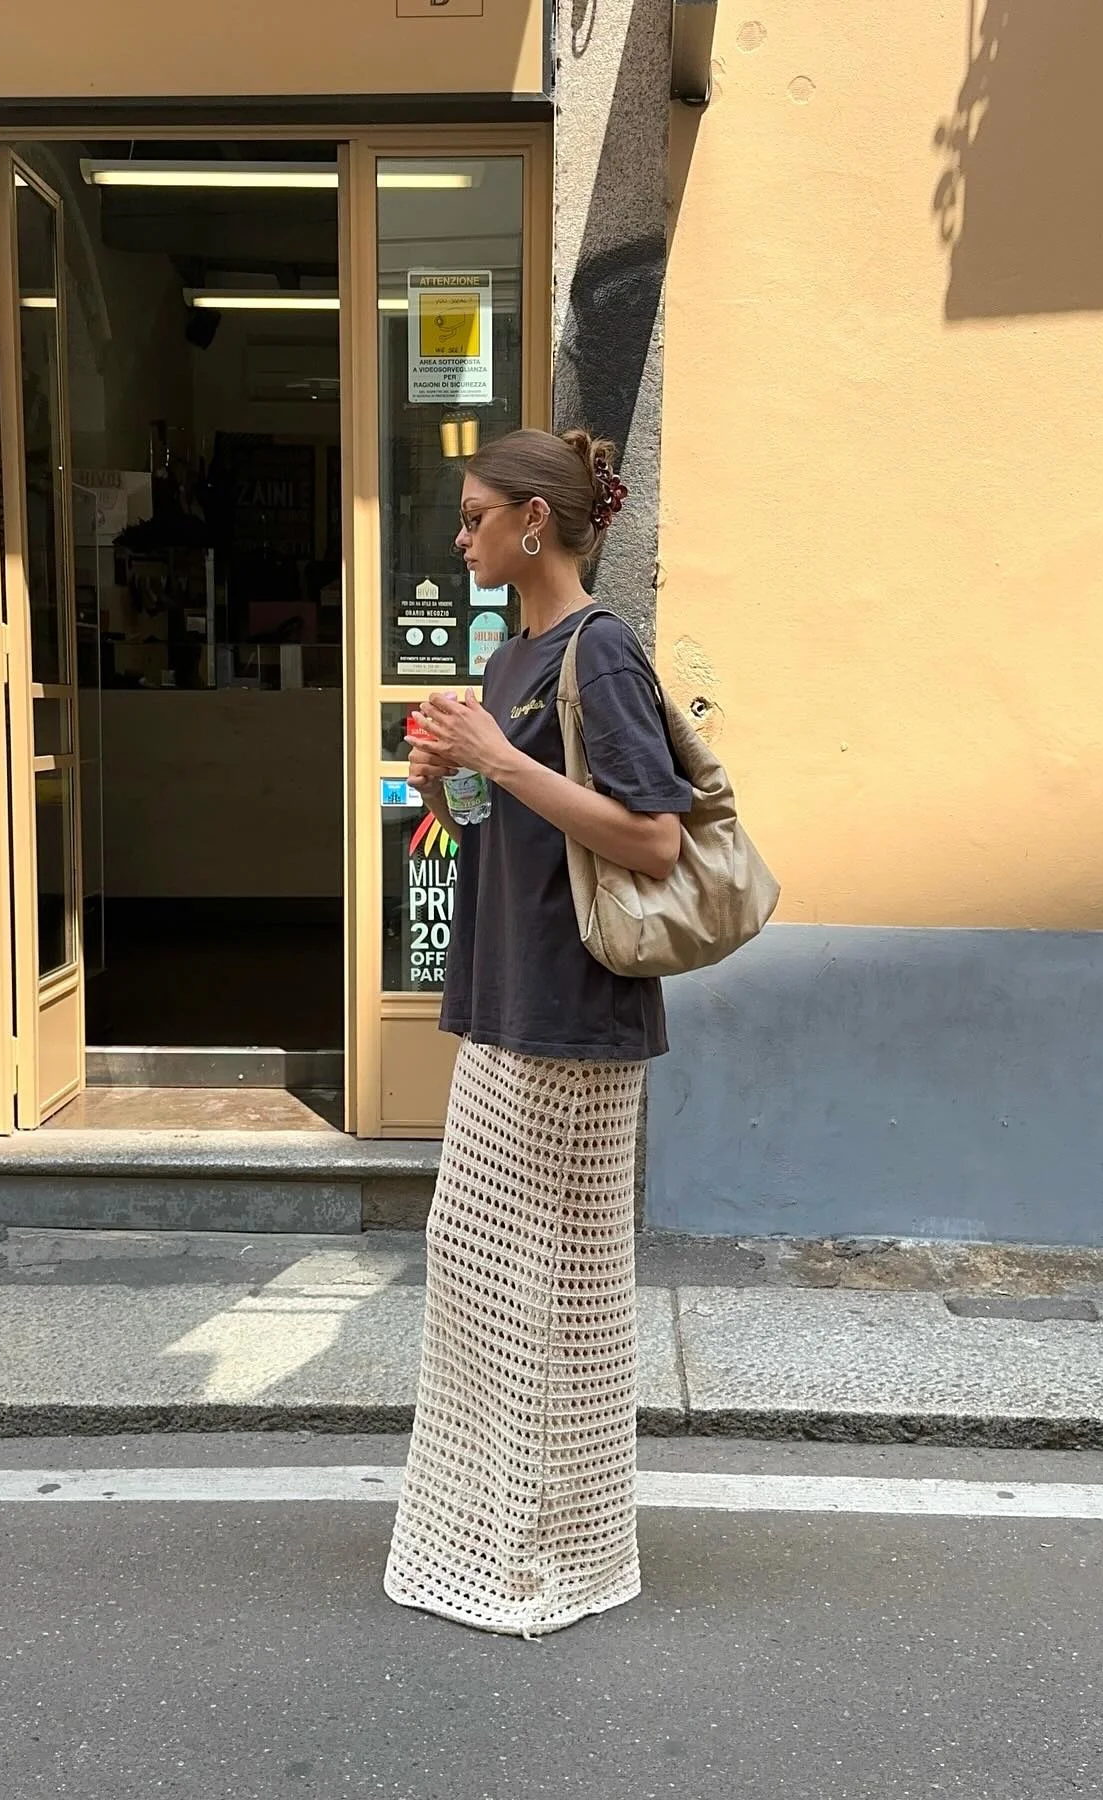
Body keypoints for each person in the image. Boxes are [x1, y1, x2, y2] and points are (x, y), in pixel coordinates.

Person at [383, 427, 693, 1637]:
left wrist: (499, 760)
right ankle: (503, 1529)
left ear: (533, 523)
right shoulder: (511, 654)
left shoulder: (599, 651)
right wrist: (443, 781)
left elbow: (653, 839)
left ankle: (547, 1552)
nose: (459, 536)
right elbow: (492, 819)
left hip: (573, 1011)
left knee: (548, 1291)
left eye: (475, 516)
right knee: (492, 1275)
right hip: (507, 997)